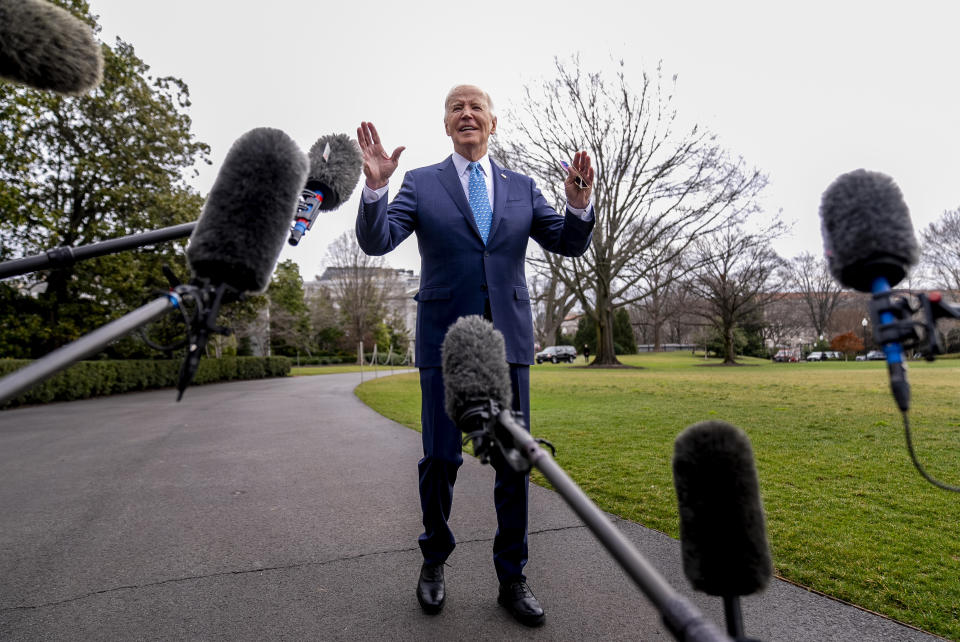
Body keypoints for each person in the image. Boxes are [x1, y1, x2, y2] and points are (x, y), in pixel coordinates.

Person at [355, 85, 594, 627]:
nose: (466, 114)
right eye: (455, 108)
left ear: (492, 123)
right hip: (445, 342)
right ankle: (434, 560)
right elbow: (379, 241)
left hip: (508, 342)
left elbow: (569, 241)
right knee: (442, 459)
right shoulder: (420, 183)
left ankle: (512, 577)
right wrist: (375, 191)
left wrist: (578, 206)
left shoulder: (522, 187)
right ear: (446, 126)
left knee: (514, 461)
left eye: (476, 108)